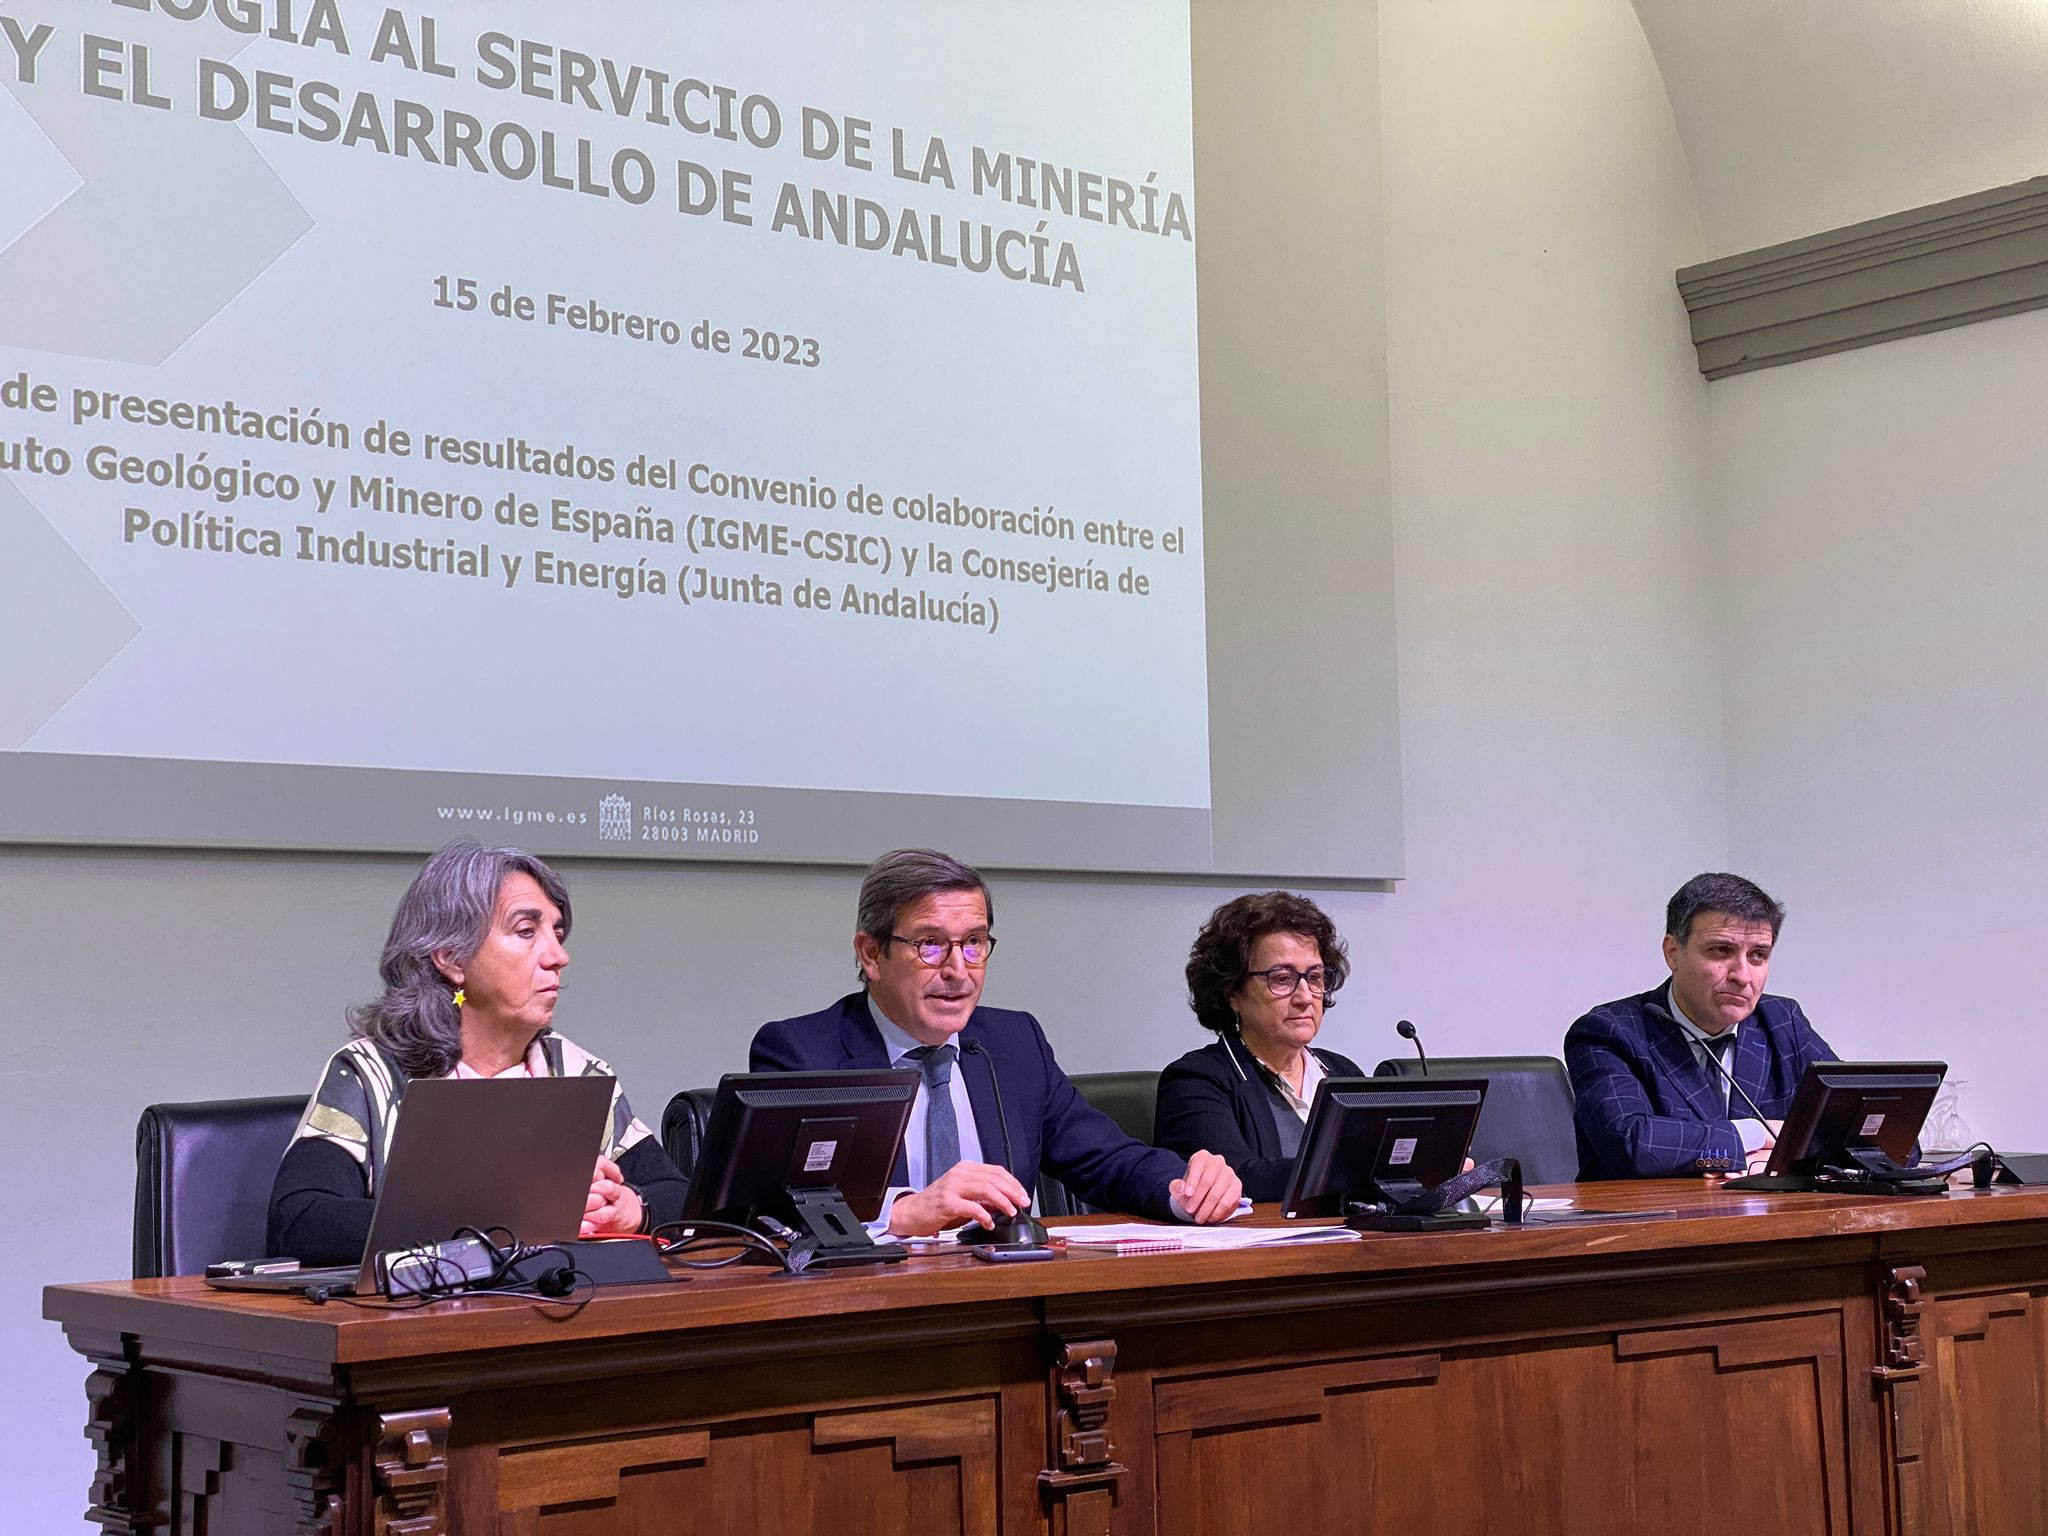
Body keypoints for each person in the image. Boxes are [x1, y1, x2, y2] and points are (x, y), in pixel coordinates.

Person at [750, 848, 1243, 1236]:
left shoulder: (1012, 1043)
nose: (957, 970)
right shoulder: (803, 1051)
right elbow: (772, 1206)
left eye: (973, 943)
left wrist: (1184, 1188)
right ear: (872, 953)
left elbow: (1106, 1158)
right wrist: (901, 1212)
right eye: (930, 944)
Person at [267, 841, 688, 1263]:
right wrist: (513, 1216)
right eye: (526, 932)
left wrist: (631, 1209)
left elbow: (681, 1196)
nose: (559, 957)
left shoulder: (576, 1072)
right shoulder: (371, 1073)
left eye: (556, 935)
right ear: (451, 958)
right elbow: (301, 1222)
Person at [1566, 872, 1838, 1180]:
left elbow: (1861, 1126)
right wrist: (1756, 1136)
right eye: (1721, 951)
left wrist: (1768, 1160)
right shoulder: (1609, 1031)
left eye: (1758, 955)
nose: (1742, 976)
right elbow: (1633, 1143)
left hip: (1772, 1220)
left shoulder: (1782, 1021)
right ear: (1673, 952)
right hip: (1651, 1221)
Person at [1154, 892, 1365, 1201]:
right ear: (1232, 993)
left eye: (1315, 977)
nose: (1305, 996)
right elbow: (1238, 1179)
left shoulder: (1343, 1073)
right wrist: (1360, 1172)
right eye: (1282, 978)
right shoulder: (1195, 1081)